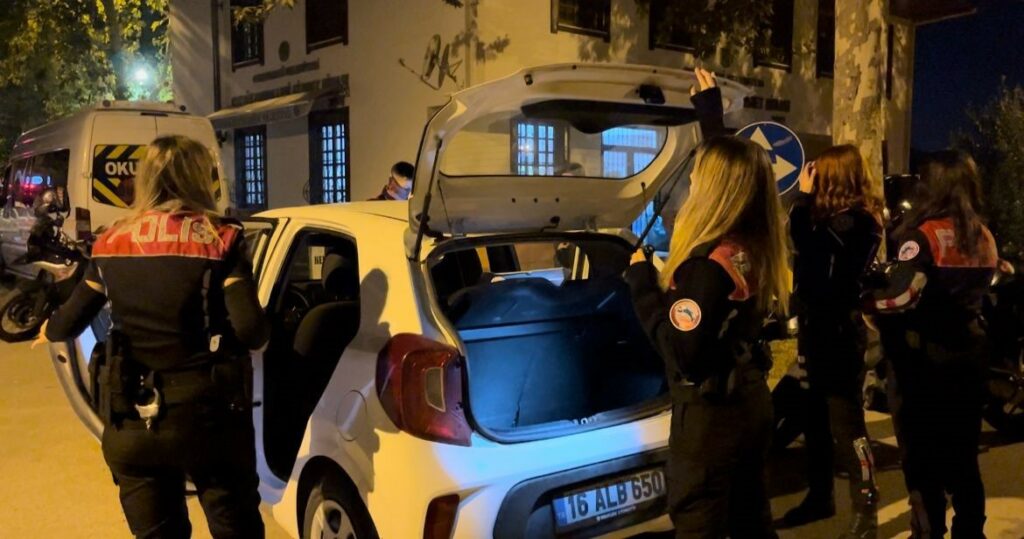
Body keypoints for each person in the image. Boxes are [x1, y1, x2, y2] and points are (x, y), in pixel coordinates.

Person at [34, 135, 269, 538]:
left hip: (132, 419)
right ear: (200, 178)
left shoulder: (111, 241)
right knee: (236, 527)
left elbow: (65, 325)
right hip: (207, 420)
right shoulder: (220, 238)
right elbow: (251, 330)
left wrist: (48, 325)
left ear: (146, 179)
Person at [624, 69, 790, 538]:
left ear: (713, 190)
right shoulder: (752, 244)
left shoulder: (705, 268)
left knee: (701, 522)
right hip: (748, 404)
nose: (692, 180)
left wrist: (642, 284)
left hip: (710, 422)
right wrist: (710, 119)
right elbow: (741, 172)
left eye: (699, 174)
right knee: (751, 521)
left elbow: (681, 354)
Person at [866, 150, 996, 538]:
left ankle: (928, 531)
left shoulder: (922, 236)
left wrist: (865, 303)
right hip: (969, 357)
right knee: (963, 459)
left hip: (922, 364)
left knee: (922, 463)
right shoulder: (983, 235)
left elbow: (901, 297)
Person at [783, 145, 885, 537]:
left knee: (848, 426)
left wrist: (803, 197)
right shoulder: (834, 220)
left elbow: (808, 245)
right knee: (815, 421)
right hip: (818, 330)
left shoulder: (857, 220)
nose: (815, 178)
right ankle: (820, 496)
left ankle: (866, 510)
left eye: (821, 173)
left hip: (839, 334)